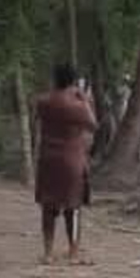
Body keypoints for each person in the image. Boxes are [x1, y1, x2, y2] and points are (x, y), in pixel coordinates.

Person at [34, 64, 98, 264]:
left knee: (48, 206)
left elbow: (37, 121)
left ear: (54, 79)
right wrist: (84, 99)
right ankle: (73, 252)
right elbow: (93, 125)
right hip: (71, 159)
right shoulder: (77, 106)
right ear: (73, 82)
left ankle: (47, 252)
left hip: (48, 158)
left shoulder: (43, 101)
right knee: (73, 206)